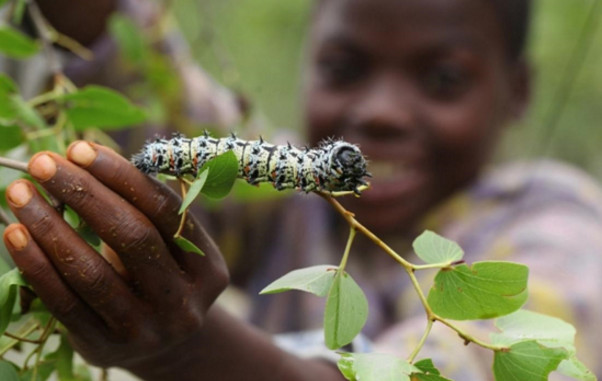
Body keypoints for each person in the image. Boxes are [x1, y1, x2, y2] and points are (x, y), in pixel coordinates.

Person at [2, 0, 601, 379]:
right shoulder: (293, 204)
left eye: (443, 79)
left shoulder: (561, 227)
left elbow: (437, 371)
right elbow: (149, 91)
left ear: (517, 91)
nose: (381, 112)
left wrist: (185, 355)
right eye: (344, 68)